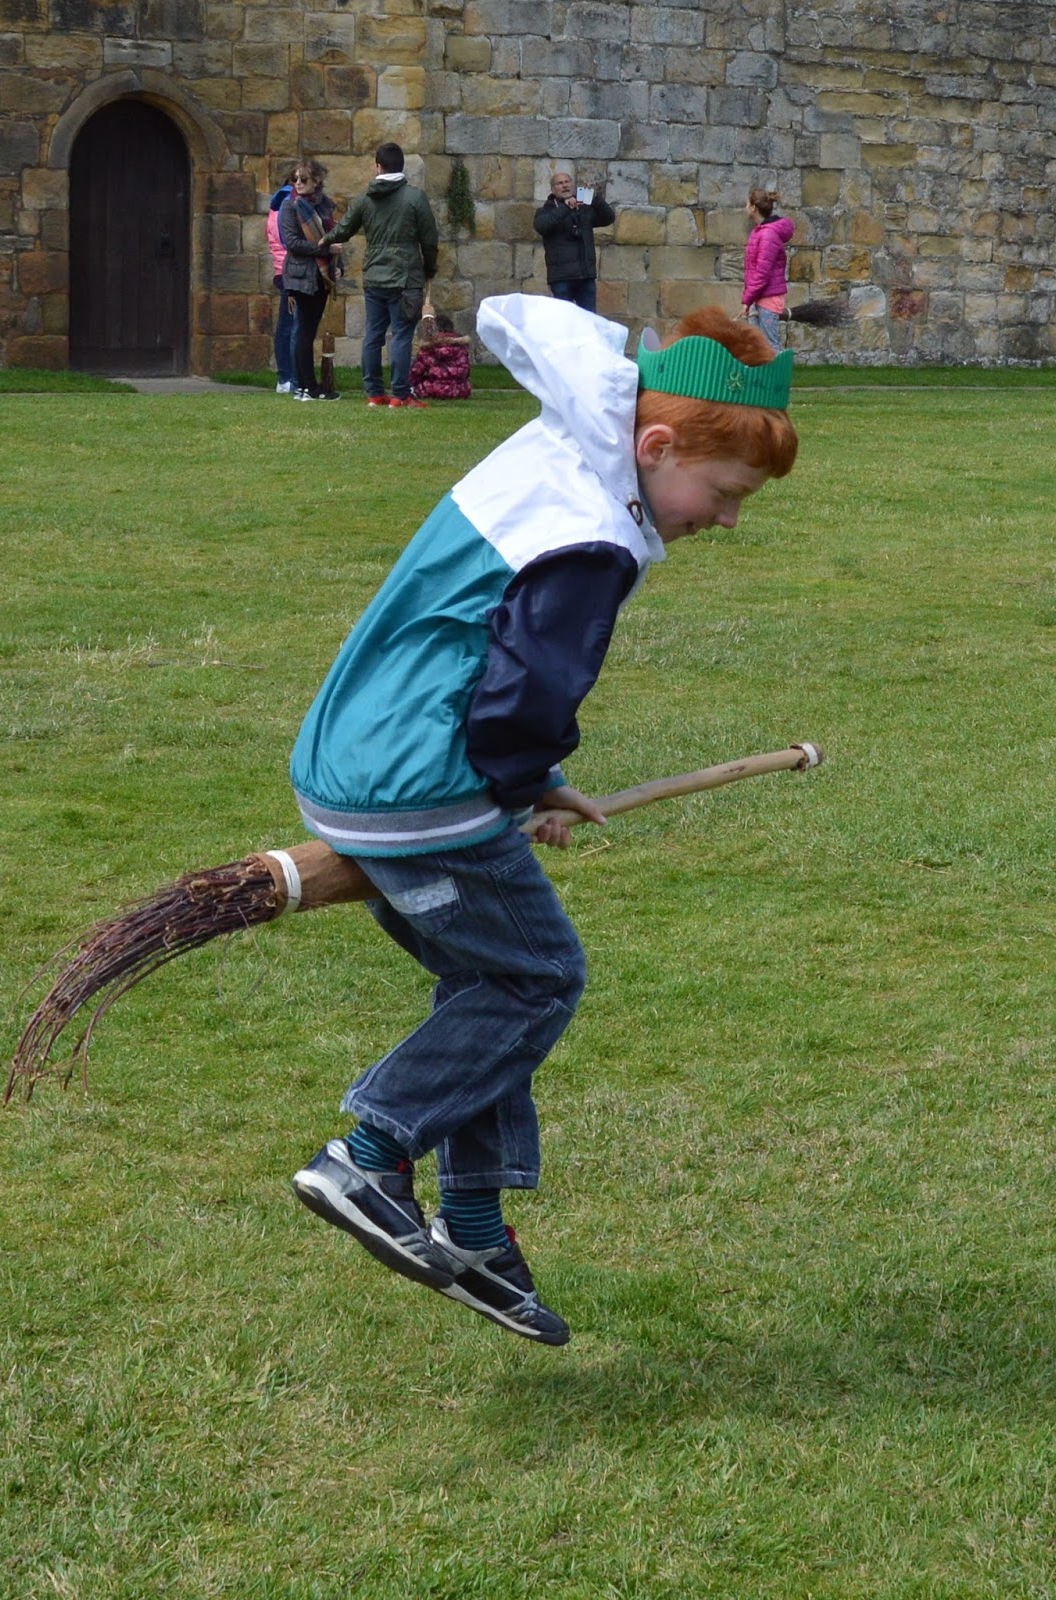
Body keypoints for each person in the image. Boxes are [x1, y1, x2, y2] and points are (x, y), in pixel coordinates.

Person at [288, 294, 799, 1345]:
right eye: (725, 493)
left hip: (358, 757)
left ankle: (475, 1226)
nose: (727, 520)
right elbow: (519, 701)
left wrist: (534, 782)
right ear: (656, 448)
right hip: (416, 783)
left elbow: (486, 657)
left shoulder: (560, 456)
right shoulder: (592, 535)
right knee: (538, 978)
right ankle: (369, 1155)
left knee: (488, 987)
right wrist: (519, 782)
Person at [322, 141, 439, 410]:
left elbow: (343, 230)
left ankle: (374, 393)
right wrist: (430, 268)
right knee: (401, 336)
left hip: (374, 277)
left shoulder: (364, 199)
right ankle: (400, 394)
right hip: (405, 279)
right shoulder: (415, 198)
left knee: (373, 336)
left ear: (378, 167)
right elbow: (429, 240)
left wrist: (324, 239)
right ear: (401, 167)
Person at [278, 161, 342, 401]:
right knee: (304, 331)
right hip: (300, 275)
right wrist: (325, 250)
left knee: (309, 330)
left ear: (316, 181)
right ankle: (307, 387)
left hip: (321, 275)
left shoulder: (325, 206)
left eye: (303, 179)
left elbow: (335, 239)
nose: (298, 183)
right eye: (294, 179)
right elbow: (293, 243)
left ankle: (307, 387)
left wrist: (339, 268)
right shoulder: (290, 206)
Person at [533, 169, 616, 315]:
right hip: (561, 278)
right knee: (564, 320)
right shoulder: (545, 211)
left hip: (585, 276)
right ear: (553, 189)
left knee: (589, 319)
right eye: (560, 183)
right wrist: (566, 208)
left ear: (573, 185)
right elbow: (542, 226)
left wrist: (595, 198)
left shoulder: (584, 208)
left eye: (567, 182)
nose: (565, 185)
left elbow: (608, 218)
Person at [741, 188, 795, 353]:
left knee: (771, 347)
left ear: (753, 208)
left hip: (768, 299)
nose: (745, 207)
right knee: (755, 346)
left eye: (747, 204)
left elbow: (762, 274)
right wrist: (749, 300)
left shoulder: (767, 235)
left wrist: (746, 301)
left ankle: (777, 371)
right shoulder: (759, 232)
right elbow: (753, 271)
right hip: (758, 297)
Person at [265, 163, 299, 393]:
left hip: (282, 268)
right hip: (291, 269)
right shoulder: (289, 204)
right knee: (291, 326)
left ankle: (287, 376)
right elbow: (290, 241)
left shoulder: (277, 204)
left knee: (288, 324)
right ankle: (288, 376)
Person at [409, 311, 471, 400]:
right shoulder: (461, 348)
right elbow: (466, 371)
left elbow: (416, 372)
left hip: (434, 389)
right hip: (460, 390)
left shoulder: (429, 348)